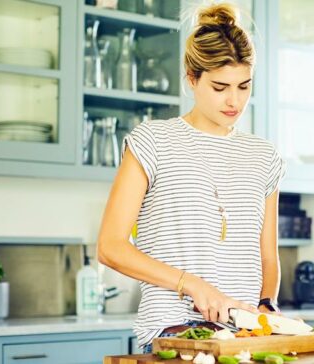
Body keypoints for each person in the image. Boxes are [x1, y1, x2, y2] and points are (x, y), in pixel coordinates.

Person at [96, 3, 285, 353]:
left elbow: (268, 258)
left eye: (244, 86)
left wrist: (266, 306)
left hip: (244, 341)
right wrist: (192, 284)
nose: (234, 100)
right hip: (175, 335)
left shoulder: (265, 157)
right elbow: (111, 247)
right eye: (220, 86)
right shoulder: (151, 141)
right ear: (192, 77)